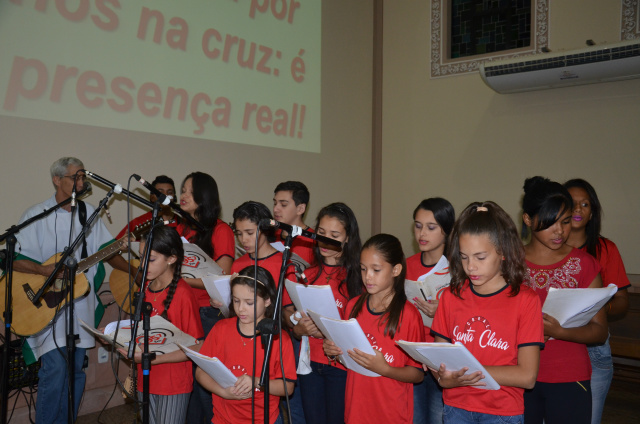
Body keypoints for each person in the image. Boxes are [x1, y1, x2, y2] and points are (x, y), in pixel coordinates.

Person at [12, 157, 131, 423]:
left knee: (76, 370)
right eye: (74, 177)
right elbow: (14, 259)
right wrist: (45, 271)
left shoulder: (88, 213)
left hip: (79, 306)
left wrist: (133, 270)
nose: (80, 182)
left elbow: (106, 251)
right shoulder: (36, 215)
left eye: (81, 178)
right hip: (44, 306)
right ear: (57, 180)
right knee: (54, 369)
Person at [430, 201, 544, 424]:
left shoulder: (526, 301)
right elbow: (438, 361)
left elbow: (527, 376)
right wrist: (444, 378)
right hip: (455, 407)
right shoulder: (450, 297)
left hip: (502, 411)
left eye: (480, 257)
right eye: (463, 257)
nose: (470, 266)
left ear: (502, 252)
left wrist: (467, 372)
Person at [521, 176, 608, 424]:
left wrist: (558, 331)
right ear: (528, 219)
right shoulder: (509, 262)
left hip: (570, 375)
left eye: (566, 221)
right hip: (518, 375)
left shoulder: (584, 264)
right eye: (550, 223)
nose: (560, 231)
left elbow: (599, 331)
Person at [324, 233, 424, 424]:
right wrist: (334, 352)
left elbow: (417, 374)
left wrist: (384, 369)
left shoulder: (409, 315)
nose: (367, 276)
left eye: (376, 270)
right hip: (357, 410)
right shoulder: (353, 305)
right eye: (363, 269)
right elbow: (349, 359)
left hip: (391, 414)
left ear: (396, 270)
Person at [118, 225, 204, 424]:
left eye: (152, 259)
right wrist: (116, 335)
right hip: (146, 378)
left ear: (172, 258)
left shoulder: (183, 294)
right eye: (141, 257)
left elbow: (196, 346)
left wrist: (150, 360)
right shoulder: (146, 288)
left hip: (172, 383)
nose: (143, 264)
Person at [287, 202, 363, 424]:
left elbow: (363, 326)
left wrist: (330, 331)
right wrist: (298, 329)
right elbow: (295, 321)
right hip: (312, 364)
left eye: (334, 234)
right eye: (321, 233)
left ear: (348, 238)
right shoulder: (306, 275)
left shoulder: (358, 278)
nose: (326, 241)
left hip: (343, 366)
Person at [563, 178, 631, 424]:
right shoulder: (546, 248)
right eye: (572, 204)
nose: (578, 209)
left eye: (585, 205)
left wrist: (598, 306)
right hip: (551, 343)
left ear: (592, 213)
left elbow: (622, 301)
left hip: (593, 346)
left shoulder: (606, 248)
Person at [195, 266, 297, 424]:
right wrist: (223, 392)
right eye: (236, 301)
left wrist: (256, 381)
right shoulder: (221, 329)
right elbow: (201, 372)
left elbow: (287, 387)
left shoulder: (279, 338)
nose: (240, 308)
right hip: (223, 418)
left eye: (249, 303)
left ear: (268, 300)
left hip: (264, 418)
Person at [177, 172, 235, 424]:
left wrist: (177, 277)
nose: (183, 195)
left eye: (189, 191)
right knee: (187, 380)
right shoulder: (179, 228)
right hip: (180, 309)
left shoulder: (220, 230)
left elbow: (221, 277)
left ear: (204, 196)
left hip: (207, 312)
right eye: (182, 189)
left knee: (205, 381)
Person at [406, 197, 455, 424]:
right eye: (418, 226)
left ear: (446, 231)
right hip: (412, 357)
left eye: (431, 227)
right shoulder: (405, 266)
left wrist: (443, 312)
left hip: (441, 360)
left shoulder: (460, 269)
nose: (422, 233)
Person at [116, 175, 179, 240]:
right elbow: (113, 245)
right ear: (152, 198)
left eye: (169, 192)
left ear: (174, 198)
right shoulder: (137, 223)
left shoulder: (183, 224)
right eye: (160, 193)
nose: (165, 196)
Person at [272, 181, 315, 268]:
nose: (275, 209)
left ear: (300, 209)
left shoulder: (313, 241)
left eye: (283, 205)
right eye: (275, 203)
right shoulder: (269, 235)